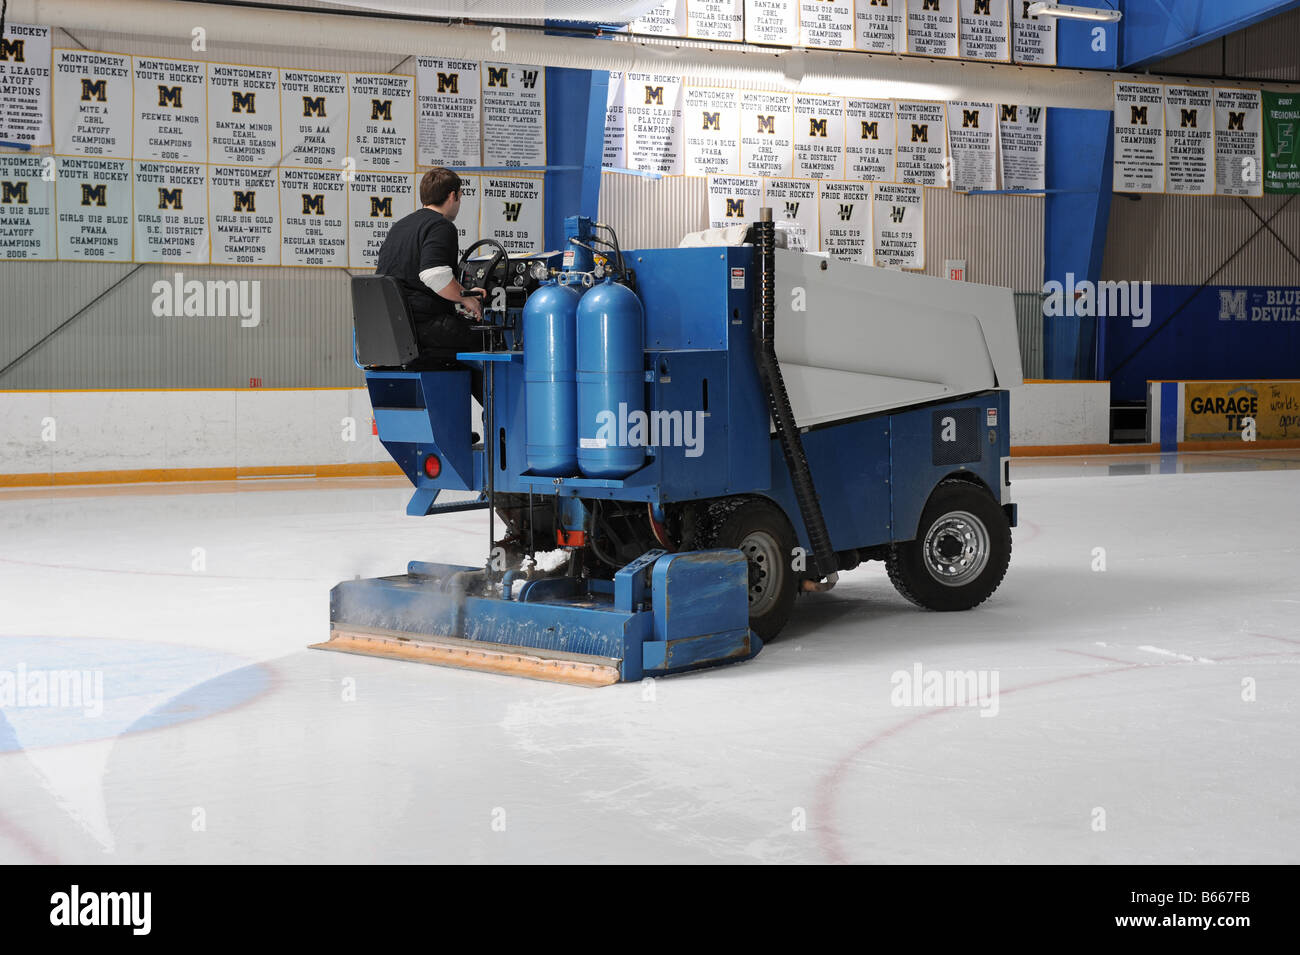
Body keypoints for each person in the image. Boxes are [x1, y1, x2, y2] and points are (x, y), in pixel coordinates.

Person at [375, 167, 486, 368]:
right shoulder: (441, 226)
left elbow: (411, 277)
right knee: (488, 339)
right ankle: (499, 400)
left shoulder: (399, 226)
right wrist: (466, 298)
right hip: (422, 329)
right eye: (460, 196)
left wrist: (461, 292)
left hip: (390, 331)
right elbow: (433, 275)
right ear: (453, 196)